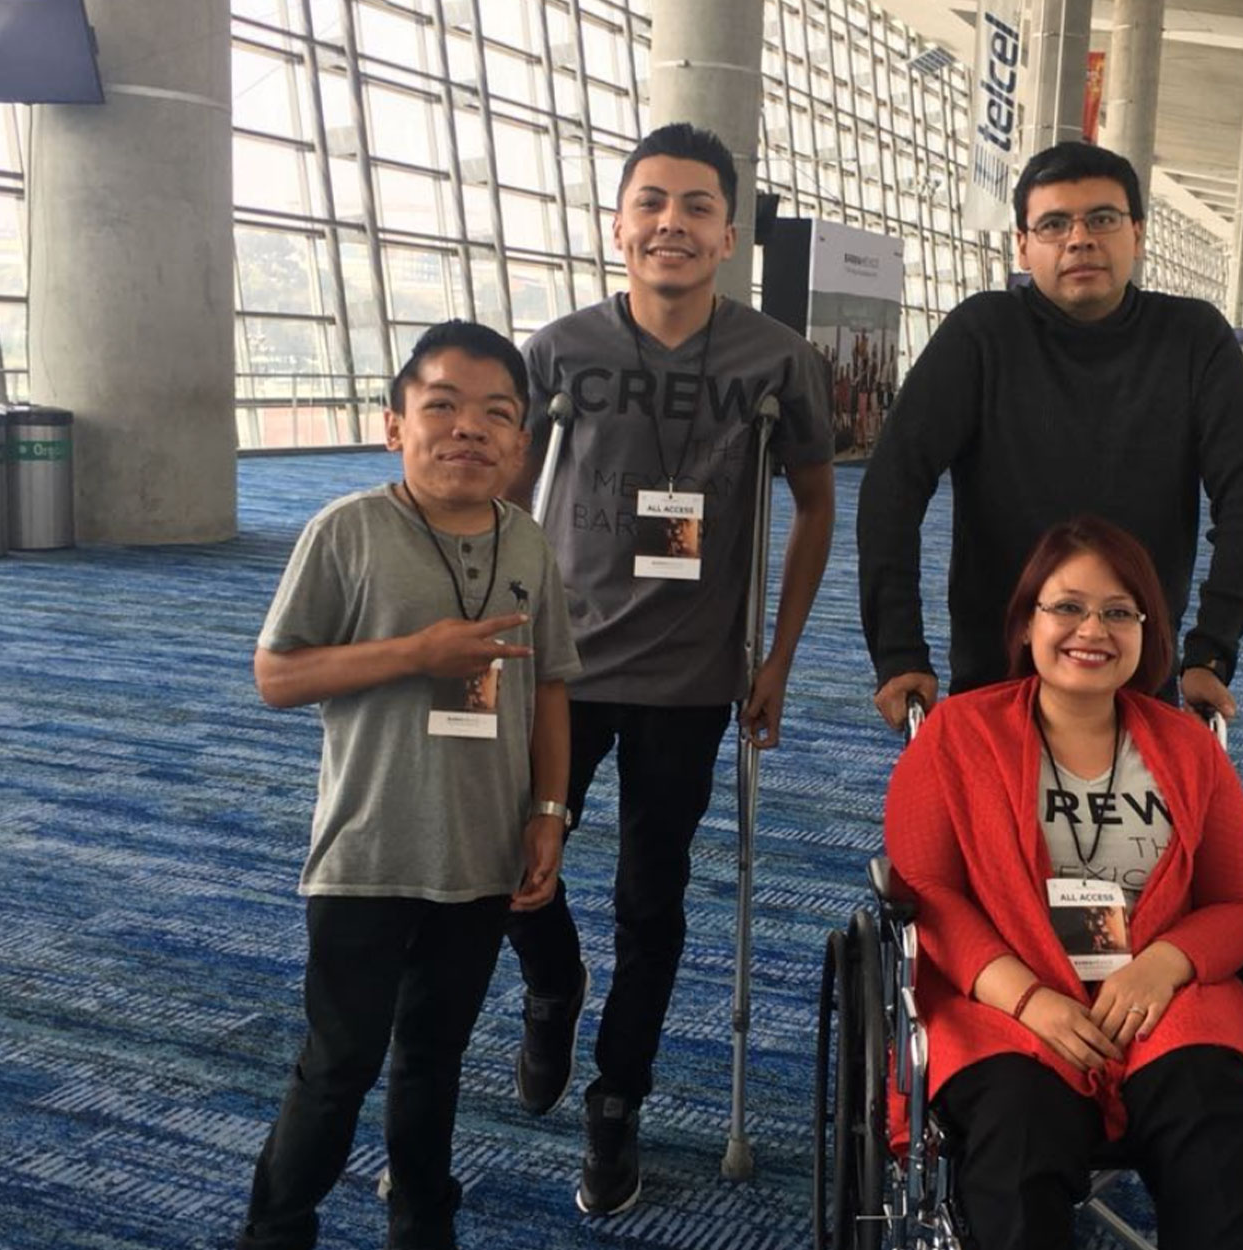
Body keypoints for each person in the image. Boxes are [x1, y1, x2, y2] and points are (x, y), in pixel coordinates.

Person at [508, 122, 836, 1216]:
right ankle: (552, 983)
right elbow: (505, 505)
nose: (672, 224)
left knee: (652, 899)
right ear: (618, 226)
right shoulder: (559, 352)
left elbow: (815, 503)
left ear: (728, 236)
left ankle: (618, 1098)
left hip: (691, 681)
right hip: (559, 665)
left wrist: (778, 654)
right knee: (505, 858)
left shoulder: (774, 361)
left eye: (697, 206)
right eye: (651, 202)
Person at [237, 320, 580, 1250]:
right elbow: (277, 675)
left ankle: (423, 1224)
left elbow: (551, 685)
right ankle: (275, 1230)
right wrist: (415, 654)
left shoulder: (527, 544)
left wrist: (548, 811)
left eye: (496, 414)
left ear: (520, 445)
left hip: (480, 853)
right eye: (442, 406)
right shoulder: (346, 532)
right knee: (338, 1064)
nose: (469, 429)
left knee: (434, 1057)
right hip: (368, 852)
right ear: (395, 425)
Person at [883, 516, 1243, 1250]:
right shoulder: (957, 736)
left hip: (1164, 999)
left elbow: (1240, 902)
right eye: (1068, 606)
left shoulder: (1189, 750)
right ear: (1027, 622)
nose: (1092, 630)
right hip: (1005, 1002)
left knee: (1212, 1144)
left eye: (1118, 612)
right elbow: (929, 894)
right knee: (1018, 1145)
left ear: (1146, 631)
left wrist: (1163, 966)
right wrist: (1028, 998)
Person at [858, 141, 1243, 730]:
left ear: (1137, 234)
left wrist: (1212, 648)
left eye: (1102, 219)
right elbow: (892, 489)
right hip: (999, 668)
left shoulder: (1192, 338)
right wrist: (898, 649)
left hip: (1135, 669)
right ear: (1023, 246)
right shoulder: (983, 334)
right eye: (1054, 224)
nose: (1079, 239)